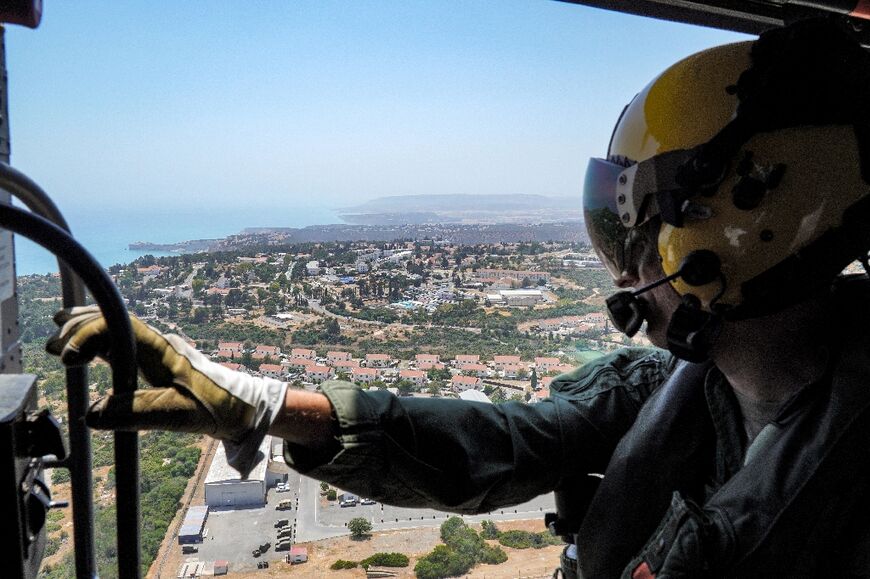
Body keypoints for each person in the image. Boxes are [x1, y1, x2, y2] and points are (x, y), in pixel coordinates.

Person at [46, 19, 870, 578]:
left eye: (628, 221)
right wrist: (260, 404)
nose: (619, 267)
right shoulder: (684, 391)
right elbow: (504, 439)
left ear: (738, 219)